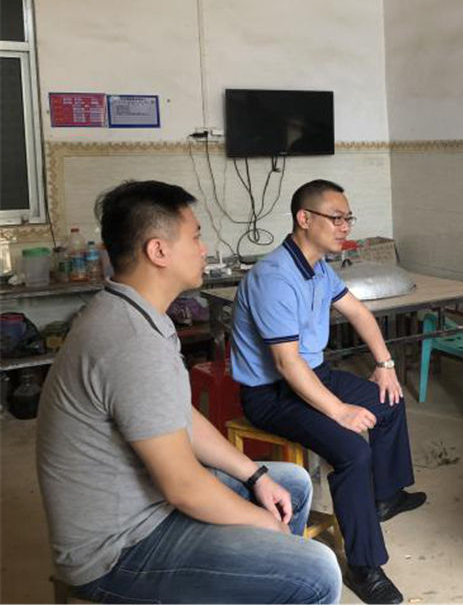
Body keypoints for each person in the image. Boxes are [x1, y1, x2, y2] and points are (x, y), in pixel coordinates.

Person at [36, 180, 341, 604]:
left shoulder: (137, 312)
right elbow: (182, 485)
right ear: (158, 251)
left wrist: (254, 476)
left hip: (147, 506)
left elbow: (178, 413)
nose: (204, 249)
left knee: (287, 483)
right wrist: (266, 527)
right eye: (196, 237)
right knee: (315, 571)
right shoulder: (130, 342)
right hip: (118, 550)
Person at [231, 179, 424, 605]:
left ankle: (384, 496)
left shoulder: (318, 267)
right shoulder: (274, 277)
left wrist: (385, 365)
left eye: (347, 218)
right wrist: (339, 411)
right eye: (336, 218)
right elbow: (286, 364)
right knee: (353, 451)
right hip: (272, 393)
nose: (345, 227)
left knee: (389, 400)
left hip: (313, 374)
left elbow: (358, 311)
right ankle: (364, 566)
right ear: (304, 219)